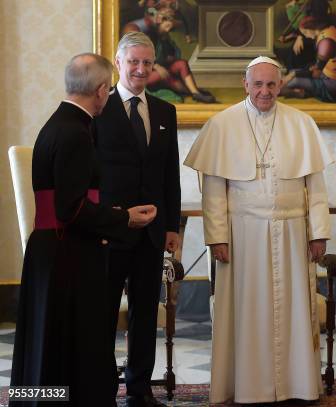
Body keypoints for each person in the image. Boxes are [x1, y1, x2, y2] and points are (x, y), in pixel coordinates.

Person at [10, 53, 157, 407]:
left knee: (46, 343)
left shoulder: (57, 124)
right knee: (71, 343)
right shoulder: (76, 132)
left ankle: (40, 401)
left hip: (52, 250)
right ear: (102, 90)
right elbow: (72, 208)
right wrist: (125, 219)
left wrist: (115, 214)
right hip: (69, 254)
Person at [184, 56, 333, 404]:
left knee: (295, 311)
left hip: (293, 232)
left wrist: (319, 232)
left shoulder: (301, 123)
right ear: (245, 84)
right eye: (258, 84)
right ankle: (249, 386)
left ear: (280, 85)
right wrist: (217, 237)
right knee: (246, 312)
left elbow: (317, 186)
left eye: (271, 84)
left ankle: (298, 384)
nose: (265, 91)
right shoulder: (222, 125)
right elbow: (214, 189)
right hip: (243, 235)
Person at [93, 32, 181, 407]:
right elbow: (91, 175)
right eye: (134, 62)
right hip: (110, 231)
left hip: (151, 233)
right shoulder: (98, 109)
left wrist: (172, 226)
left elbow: (169, 174)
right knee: (104, 315)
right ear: (118, 64)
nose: (141, 69)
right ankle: (100, 388)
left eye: (147, 62)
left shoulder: (164, 111)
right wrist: (102, 221)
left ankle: (140, 388)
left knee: (145, 314)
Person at [123, 7, 216, 103]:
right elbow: (140, 57)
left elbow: (170, 56)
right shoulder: (148, 37)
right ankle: (192, 92)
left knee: (181, 63)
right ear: (160, 22)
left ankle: (195, 92)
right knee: (163, 74)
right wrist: (157, 66)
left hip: (159, 69)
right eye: (167, 26)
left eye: (170, 28)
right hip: (143, 75)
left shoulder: (165, 39)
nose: (168, 30)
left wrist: (169, 57)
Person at [281, 15, 336, 102]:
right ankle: (303, 91)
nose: (306, 36)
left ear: (312, 28)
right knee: (292, 75)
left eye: (305, 32)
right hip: (328, 77)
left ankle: (301, 93)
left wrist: (294, 74)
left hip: (333, 85)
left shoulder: (326, 42)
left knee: (292, 82)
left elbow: (316, 73)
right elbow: (318, 66)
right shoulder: (330, 31)